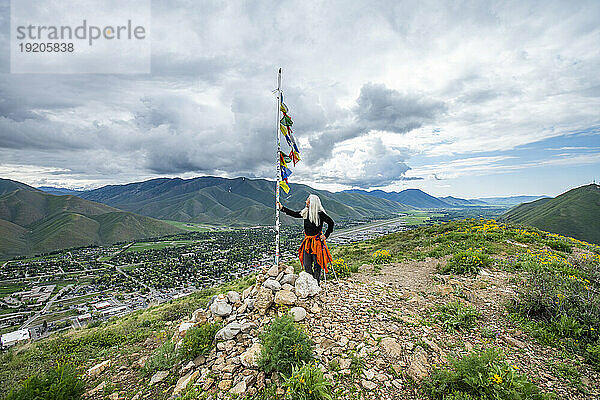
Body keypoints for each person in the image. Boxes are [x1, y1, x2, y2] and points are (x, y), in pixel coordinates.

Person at [277, 194, 334, 284]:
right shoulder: (306, 212)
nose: (305, 201)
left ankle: (316, 283)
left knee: (317, 263)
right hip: (308, 242)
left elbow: (331, 223)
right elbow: (295, 214)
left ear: (312, 203)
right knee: (307, 264)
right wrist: (282, 208)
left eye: (307, 200)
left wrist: (326, 235)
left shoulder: (320, 214)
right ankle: (310, 282)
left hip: (317, 242)